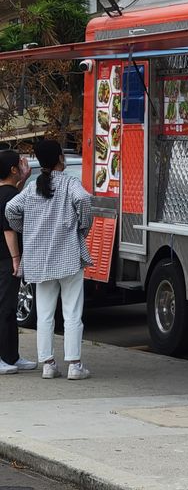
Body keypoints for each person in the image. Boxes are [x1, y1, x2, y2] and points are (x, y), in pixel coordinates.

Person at [5, 139, 94, 380]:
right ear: (60, 159)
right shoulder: (69, 183)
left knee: (44, 313)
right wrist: (82, 227)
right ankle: (74, 365)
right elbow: (84, 200)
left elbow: (11, 209)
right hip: (68, 256)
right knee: (72, 312)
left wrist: (26, 229)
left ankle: (48, 364)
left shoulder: (32, 187)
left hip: (39, 258)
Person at [0, 149, 37, 376]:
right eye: (20, 164)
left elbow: (13, 198)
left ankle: (11, 356)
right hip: (6, 258)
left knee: (10, 307)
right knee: (5, 308)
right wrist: (16, 258)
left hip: (5, 258)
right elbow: (9, 229)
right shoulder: (9, 195)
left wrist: (23, 179)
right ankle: (3, 357)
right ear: (13, 169)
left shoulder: (8, 193)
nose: (24, 166)